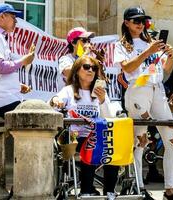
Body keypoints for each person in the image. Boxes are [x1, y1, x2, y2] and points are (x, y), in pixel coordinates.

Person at [114, 6, 173, 200]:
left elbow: (163, 71)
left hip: (157, 89)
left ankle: (170, 190)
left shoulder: (151, 42)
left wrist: (170, 56)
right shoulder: (121, 45)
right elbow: (127, 68)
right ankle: (138, 188)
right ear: (126, 23)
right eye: (136, 21)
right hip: (138, 89)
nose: (140, 25)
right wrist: (148, 51)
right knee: (140, 142)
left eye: (143, 21)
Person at [50, 55, 119, 199]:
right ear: (76, 71)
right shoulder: (68, 90)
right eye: (86, 67)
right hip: (74, 137)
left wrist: (102, 101)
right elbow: (55, 101)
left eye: (94, 68)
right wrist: (56, 101)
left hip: (95, 136)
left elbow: (109, 118)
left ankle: (109, 192)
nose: (91, 70)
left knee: (112, 149)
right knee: (90, 145)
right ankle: (87, 189)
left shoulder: (100, 93)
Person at [0, 3, 35, 118]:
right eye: (13, 17)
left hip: (3, 98)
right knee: (39, 115)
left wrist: (16, 85)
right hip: (0, 101)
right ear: (2, 16)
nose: (16, 21)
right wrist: (24, 61)